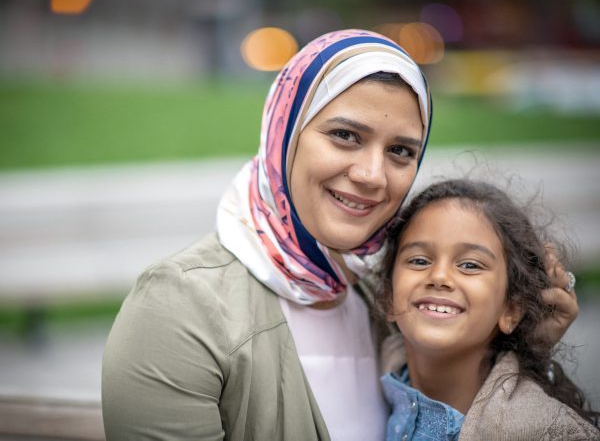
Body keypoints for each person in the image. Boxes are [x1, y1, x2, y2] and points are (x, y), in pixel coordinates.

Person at [102, 29, 579, 440]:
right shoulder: (180, 309)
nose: (373, 174)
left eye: (399, 151)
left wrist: (520, 347)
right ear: (284, 134)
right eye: (345, 135)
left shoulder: (380, 297)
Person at [377, 179, 599, 441]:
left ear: (512, 310)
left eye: (470, 265)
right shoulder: (376, 365)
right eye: (419, 260)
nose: (438, 276)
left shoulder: (546, 432)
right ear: (389, 296)